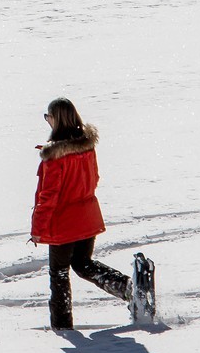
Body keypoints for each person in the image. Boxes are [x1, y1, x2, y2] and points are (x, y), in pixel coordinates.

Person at [29, 97, 132, 331]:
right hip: (87, 216)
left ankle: (62, 326)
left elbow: (48, 197)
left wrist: (37, 230)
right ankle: (126, 287)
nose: (47, 121)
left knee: (59, 273)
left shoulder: (54, 156)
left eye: (49, 117)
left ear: (58, 119)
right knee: (83, 264)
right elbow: (94, 179)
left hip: (64, 223)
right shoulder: (87, 147)